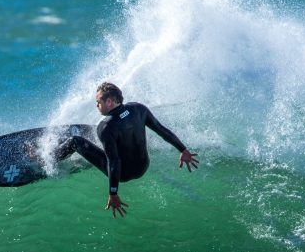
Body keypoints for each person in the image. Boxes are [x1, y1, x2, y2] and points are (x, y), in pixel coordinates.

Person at [55, 82, 199, 218]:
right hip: (143, 167)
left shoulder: (105, 127)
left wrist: (113, 193)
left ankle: (48, 157)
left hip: (122, 174)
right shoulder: (139, 109)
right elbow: (161, 130)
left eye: (99, 102)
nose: (97, 105)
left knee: (75, 141)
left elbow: (114, 161)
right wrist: (183, 150)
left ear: (110, 101)